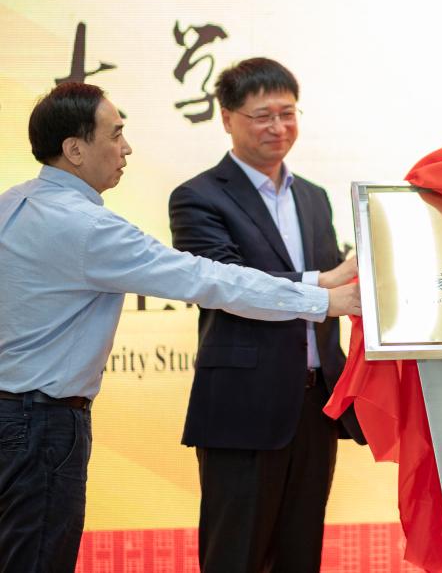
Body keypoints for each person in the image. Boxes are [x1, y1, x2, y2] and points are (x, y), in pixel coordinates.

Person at [0, 82, 361, 573]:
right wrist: (323, 300)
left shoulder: (14, 203)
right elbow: (207, 278)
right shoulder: (89, 228)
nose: (127, 148)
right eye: (116, 134)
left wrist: (318, 281)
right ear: (75, 149)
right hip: (44, 423)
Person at [169, 57, 363, 572]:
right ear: (227, 118)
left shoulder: (314, 197)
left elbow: (339, 287)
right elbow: (226, 285)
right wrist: (321, 283)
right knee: (236, 555)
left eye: (287, 113)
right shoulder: (197, 198)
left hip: (316, 405)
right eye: (262, 116)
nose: (278, 127)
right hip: (243, 405)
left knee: (301, 553)